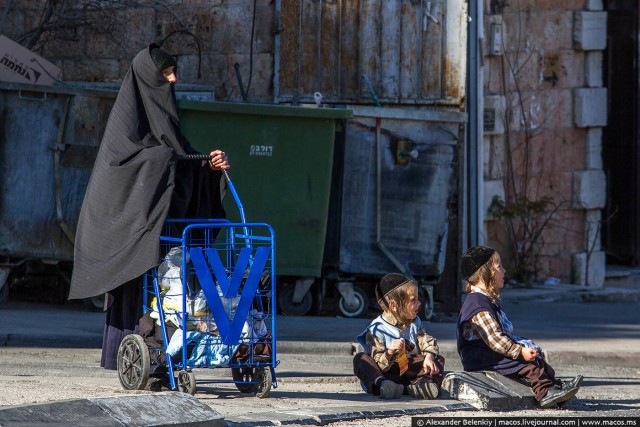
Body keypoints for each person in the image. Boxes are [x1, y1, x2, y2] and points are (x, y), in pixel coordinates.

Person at [68, 43, 230, 370]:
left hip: (164, 230)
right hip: (134, 227)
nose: (173, 79)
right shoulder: (124, 127)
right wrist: (165, 160)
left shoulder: (165, 121)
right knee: (138, 286)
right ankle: (137, 355)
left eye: (173, 71)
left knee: (170, 287)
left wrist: (209, 166)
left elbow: (180, 158)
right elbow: (124, 170)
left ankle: (164, 353)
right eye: (166, 72)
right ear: (148, 77)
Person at [456, 246, 583, 408]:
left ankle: (554, 387)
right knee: (528, 366)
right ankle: (545, 393)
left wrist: (524, 345)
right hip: (482, 358)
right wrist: (518, 350)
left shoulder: (486, 301)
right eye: (499, 266)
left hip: (492, 354)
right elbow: (495, 339)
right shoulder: (477, 305)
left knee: (538, 362)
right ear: (485, 274)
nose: (504, 270)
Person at [354, 273, 445, 399]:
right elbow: (379, 363)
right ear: (393, 305)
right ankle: (383, 386)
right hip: (387, 373)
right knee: (361, 359)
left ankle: (423, 386)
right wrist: (390, 352)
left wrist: (429, 357)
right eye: (413, 300)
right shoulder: (376, 329)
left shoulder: (415, 322)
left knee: (438, 359)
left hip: (409, 373)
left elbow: (426, 341)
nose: (419, 303)